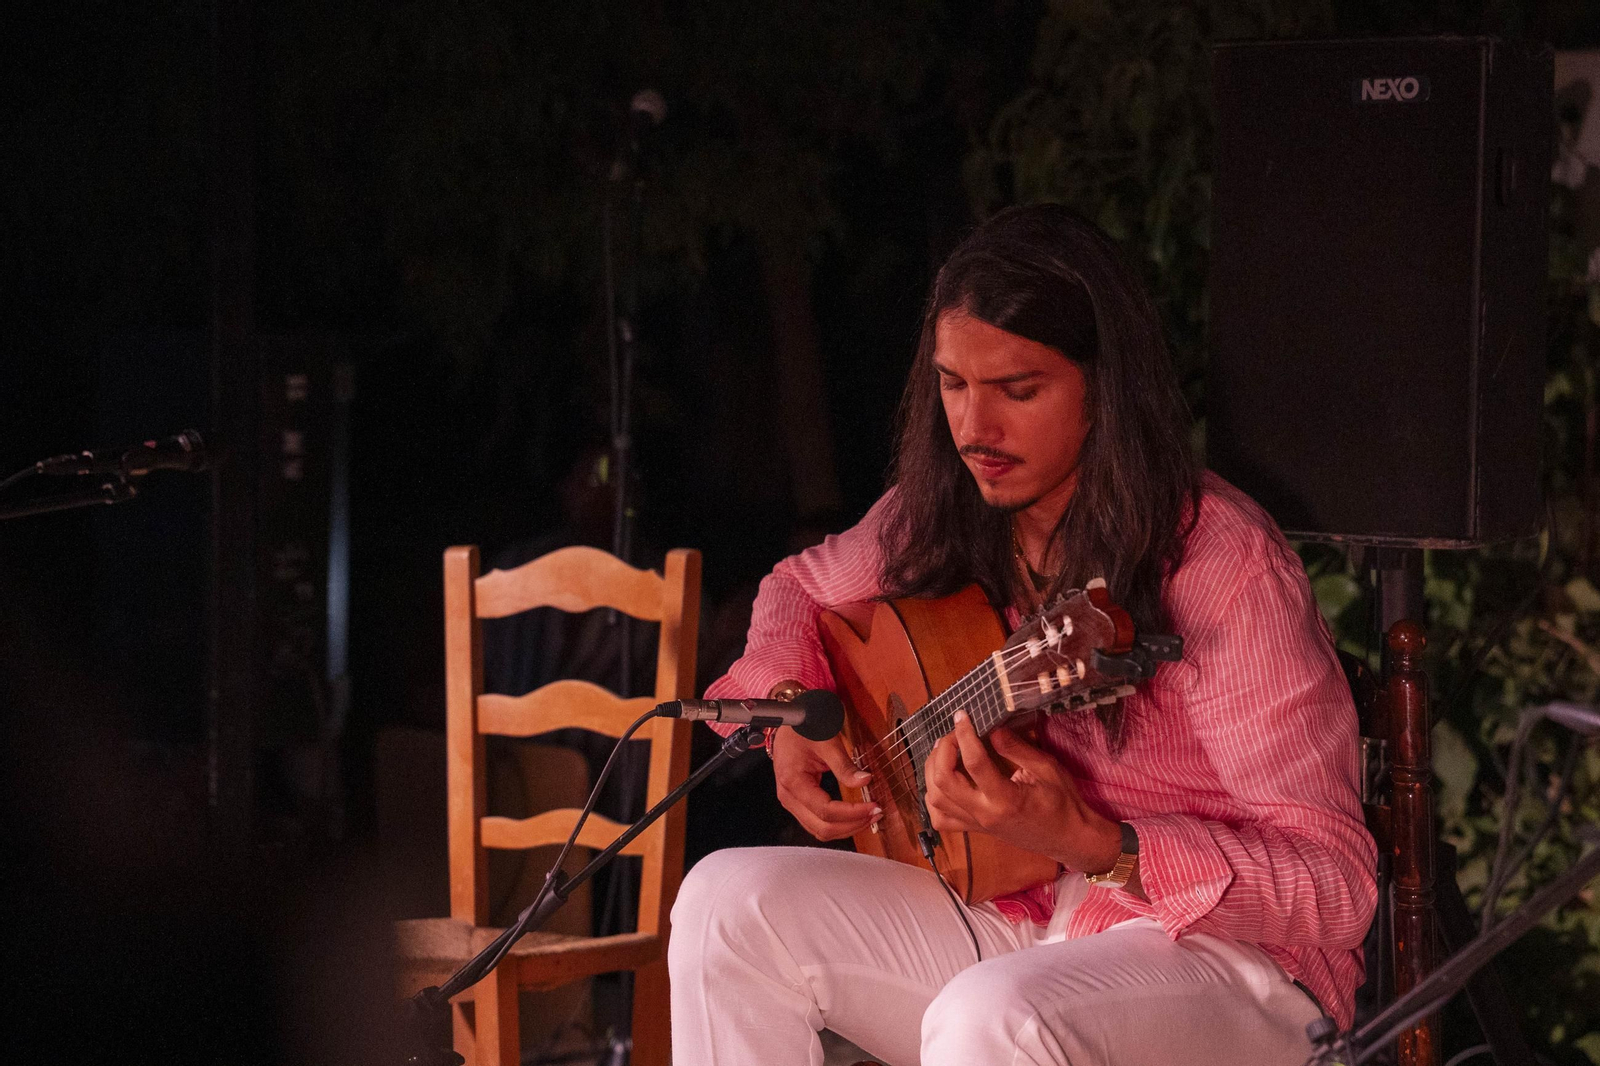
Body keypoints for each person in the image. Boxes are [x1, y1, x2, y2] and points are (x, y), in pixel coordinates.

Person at [668, 204, 1377, 1066]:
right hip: (1036, 920)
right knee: (724, 904)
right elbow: (797, 587)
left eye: (1019, 390)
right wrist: (789, 717)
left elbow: (1339, 891)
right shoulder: (949, 511)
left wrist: (1097, 842)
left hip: (1245, 974)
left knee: (992, 1016)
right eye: (954, 384)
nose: (974, 430)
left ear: (1103, 390)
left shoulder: (1221, 565)